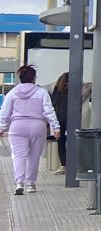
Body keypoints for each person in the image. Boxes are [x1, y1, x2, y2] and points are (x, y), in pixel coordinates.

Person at [1, 66, 61, 194]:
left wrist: (1, 128)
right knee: (34, 156)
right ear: (34, 78)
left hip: (17, 127)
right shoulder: (41, 92)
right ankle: (31, 184)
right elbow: (49, 111)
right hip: (37, 126)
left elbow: (5, 113)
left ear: (20, 78)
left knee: (18, 155)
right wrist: (55, 128)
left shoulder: (12, 93)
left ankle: (19, 183)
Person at [48, 73, 70, 171]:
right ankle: (72, 162)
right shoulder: (74, 90)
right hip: (71, 119)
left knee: (60, 142)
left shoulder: (57, 90)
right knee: (72, 141)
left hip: (60, 119)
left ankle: (64, 164)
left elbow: (53, 102)